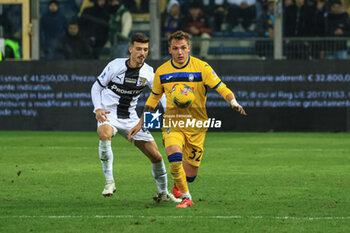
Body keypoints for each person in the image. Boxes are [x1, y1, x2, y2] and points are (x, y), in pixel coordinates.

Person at [128, 31, 247, 208]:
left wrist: (233, 101)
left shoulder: (201, 68)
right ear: (170, 50)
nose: (180, 52)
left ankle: (181, 184)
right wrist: (141, 122)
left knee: (190, 174)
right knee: (174, 156)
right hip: (172, 123)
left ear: (189, 48)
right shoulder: (162, 71)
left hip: (196, 126)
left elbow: (221, 87)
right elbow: (153, 99)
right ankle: (186, 198)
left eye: (183, 48)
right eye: (175, 48)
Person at [91, 33, 179, 203]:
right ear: (130, 49)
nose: (142, 53)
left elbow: (159, 94)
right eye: (138, 49)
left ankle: (163, 193)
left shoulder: (147, 72)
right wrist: (98, 108)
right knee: (104, 132)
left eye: (145, 49)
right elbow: (96, 87)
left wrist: (169, 112)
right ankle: (109, 182)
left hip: (132, 119)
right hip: (110, 115)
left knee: (157, 157)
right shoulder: (115, 66)